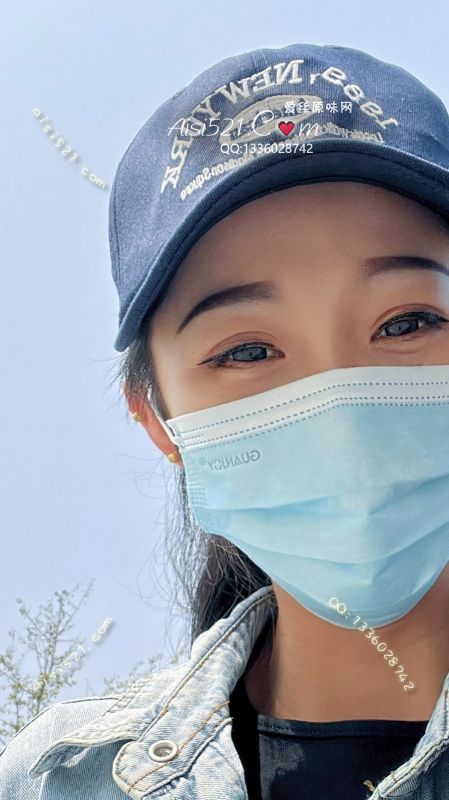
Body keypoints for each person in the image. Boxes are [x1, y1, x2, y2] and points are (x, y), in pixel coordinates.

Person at [2, 41, 449, 800]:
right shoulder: (56, 780)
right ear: (158, 421)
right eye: (247, 350)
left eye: (407, 322)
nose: (339, 411)